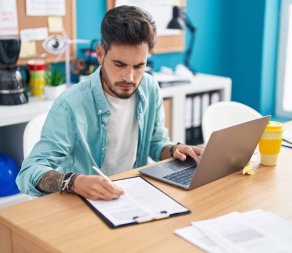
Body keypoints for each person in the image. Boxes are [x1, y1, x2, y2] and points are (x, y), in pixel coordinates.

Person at [16, 5, 204, 200]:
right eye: (119, 64)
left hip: (132, 196)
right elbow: (28, 173)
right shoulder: (69, 105)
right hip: (84, 204)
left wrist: (175, 150)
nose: (129, 77)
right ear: (100, 54)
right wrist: (75, 182)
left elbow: (156, 144)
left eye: (139, 66)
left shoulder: (149, 88)